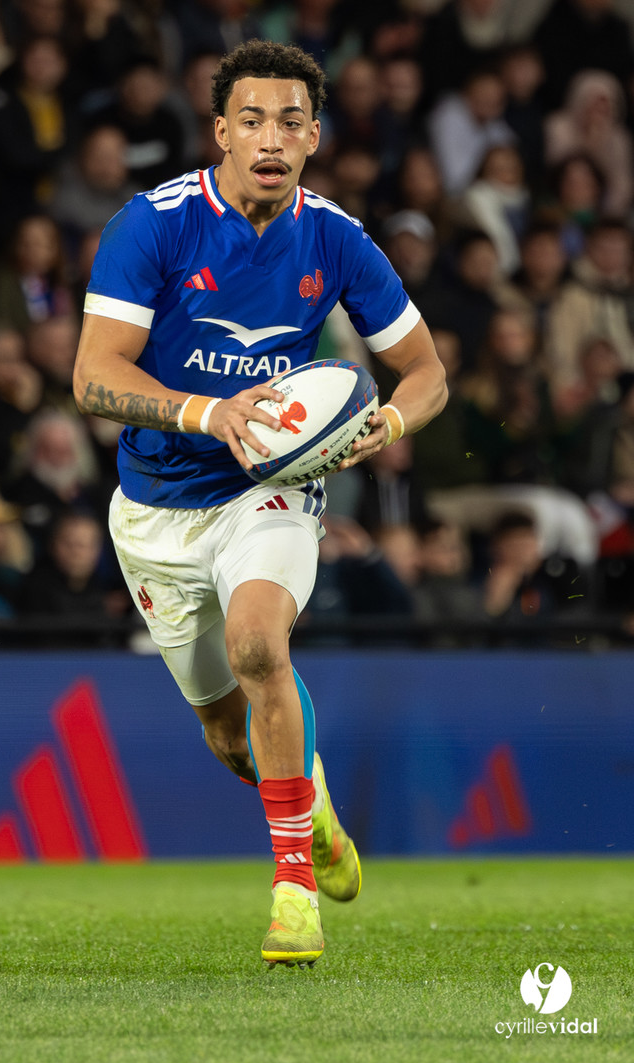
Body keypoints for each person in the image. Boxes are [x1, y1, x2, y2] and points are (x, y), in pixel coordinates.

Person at [72, 41, 447, 967]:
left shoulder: (336, 238)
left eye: (289, 121)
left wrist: (387, 427)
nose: (269, 138)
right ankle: (310, 807)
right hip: (156, 507)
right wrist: (207, 412)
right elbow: (91, 375)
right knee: (229, 736)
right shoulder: (151, 225)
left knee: (257, 645)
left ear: (314, 137)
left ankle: (291, 890)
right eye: (251, 120)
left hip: (268, 490)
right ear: (220, 133)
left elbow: (427, 372)